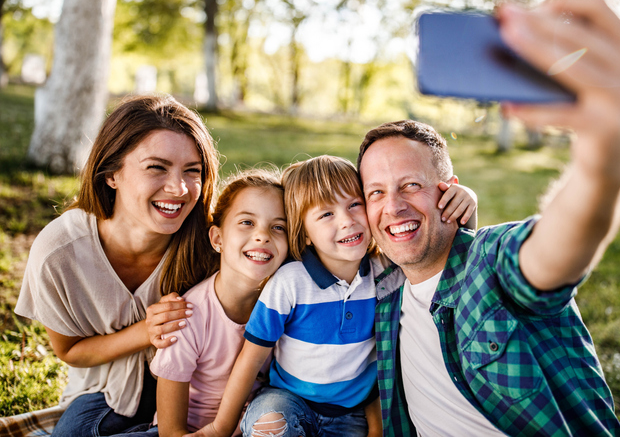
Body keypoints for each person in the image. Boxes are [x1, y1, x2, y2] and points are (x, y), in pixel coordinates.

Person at [356, 0, 620, 436]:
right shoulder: (381, 295)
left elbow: (558, 248)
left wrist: (602, 155)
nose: (392, 206)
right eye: (376, 192)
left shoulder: (490, 263)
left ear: (447, 193)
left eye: (411, 185)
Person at [187, 155, 477, 437]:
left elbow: (443, 259)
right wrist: (219, 428)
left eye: (354, 205)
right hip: (288, 401)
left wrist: (467, 206)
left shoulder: (385, 272)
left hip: (351, 413)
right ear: (305, 233)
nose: (347, 221)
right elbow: (250, 360)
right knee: (270, 426)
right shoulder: (290, 282)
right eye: (326, 214)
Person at [14, 95, 220, 437]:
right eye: (157, 167)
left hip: (199, 388)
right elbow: (70, 351)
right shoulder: (59, 253)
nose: (179, 188)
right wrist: (145, 332)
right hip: (107, 391)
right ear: (112, 174)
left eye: (192, 171)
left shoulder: (212, 243)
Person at [109, 168, 288, 437]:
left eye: (278, 227)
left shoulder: (285, 305)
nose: (263, 235)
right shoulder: (188, 315)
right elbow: (171, 432)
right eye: (247, 222)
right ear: (218, 239)